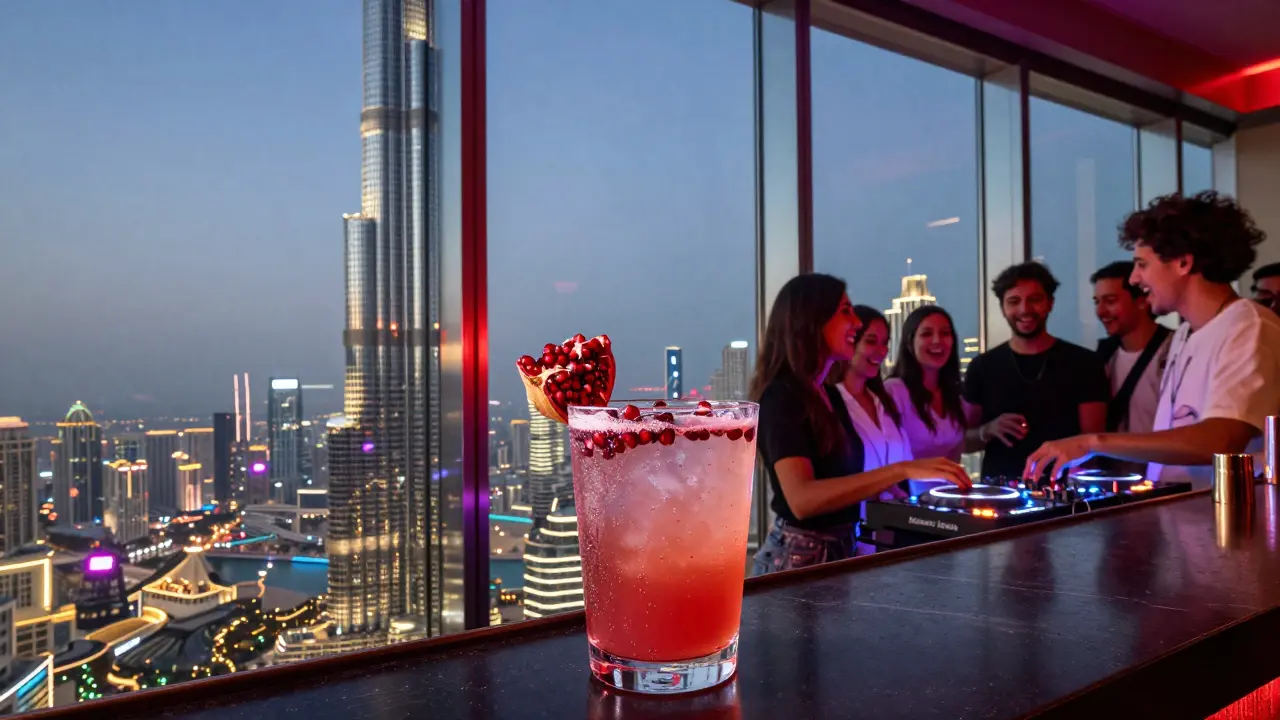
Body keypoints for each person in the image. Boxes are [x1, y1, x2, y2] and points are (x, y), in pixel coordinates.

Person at [1025, 191, 1280, 488]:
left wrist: (1093, 442)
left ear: (1183, 263)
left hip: (1232, 525)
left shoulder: (1249, 327)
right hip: (1188, 523)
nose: (1134, 279)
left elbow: (1222, 438)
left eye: (1142, 265)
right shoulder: (1186, 333)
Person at [750, 274, 970, 574]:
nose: (855, 322)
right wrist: (900, 469)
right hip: (797, 560)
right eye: (845, 311)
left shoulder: (826, 394)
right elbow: (801, 500)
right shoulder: (782, 395)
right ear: (811, 319)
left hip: (842, 551)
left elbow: (845, 482)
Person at [962, 261, 1109, 479]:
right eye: (1014, 301)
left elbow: (1095, 441)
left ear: (1050, 303)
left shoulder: (1084, 363)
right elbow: (963, 441)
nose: (1024, 309)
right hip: (999, 495)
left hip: (1065, 494)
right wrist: (988, 429)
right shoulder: (982, 367)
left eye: (1035, 299)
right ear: (1002, 307)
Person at [884, 306, 971, 488]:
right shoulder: (894, 391)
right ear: (910, 343)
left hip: (945, 501)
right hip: (903, 501)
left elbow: (954, 461)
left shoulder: (956, 396)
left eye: (945, 333)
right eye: (926, 334)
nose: (937, 341)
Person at [1091, 260, 1172, 433]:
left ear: (1142, 301)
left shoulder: (1174, 350)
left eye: (1110, 301)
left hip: (1163, 459)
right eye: (1097, 302)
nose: (1100, 311)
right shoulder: (1102, 356)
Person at [836, 306, 911, 482]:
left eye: (885, 343)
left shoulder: (884, 402)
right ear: (849, 342)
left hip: (894, 508)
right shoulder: (831, 403)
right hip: (854, 508)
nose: (882, 351)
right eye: (871, 341)